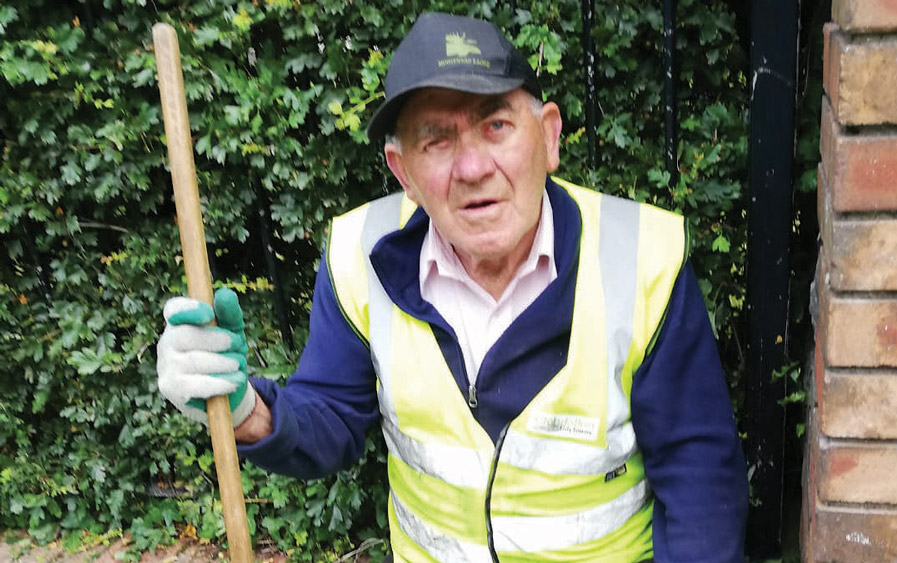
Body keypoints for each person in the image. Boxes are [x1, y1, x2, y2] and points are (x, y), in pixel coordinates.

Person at [156, 12, 748, 562]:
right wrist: (245, 411)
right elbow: (330, 419)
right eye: (437, 139)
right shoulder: (359, 254)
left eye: (496, 125)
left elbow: (699, 478)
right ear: (402, 171)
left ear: (548, 137)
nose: (471, 168)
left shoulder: (641, 257)